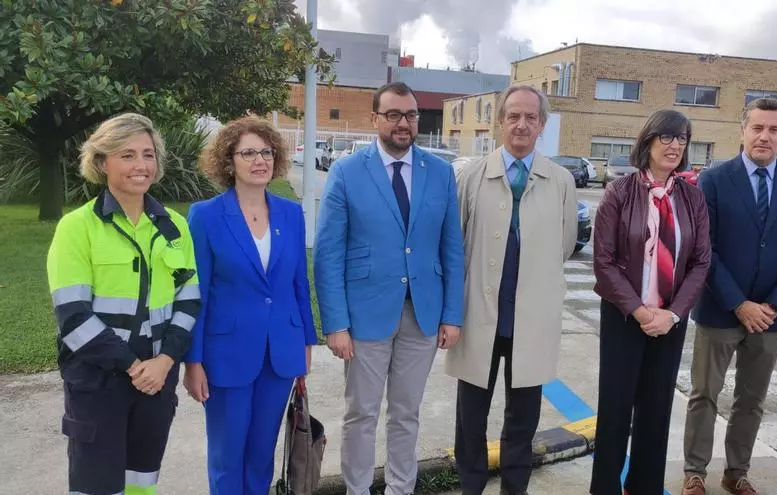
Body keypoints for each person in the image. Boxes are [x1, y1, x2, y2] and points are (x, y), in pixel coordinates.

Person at [313, 81, 465, 495]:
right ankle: (358, 490)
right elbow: (328, 253)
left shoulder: (440, 173)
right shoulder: (347, 171)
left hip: (423, 314)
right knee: (361, 415)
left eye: (411, 115)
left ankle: (401, 489)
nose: (403, 123)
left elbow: (452, 248)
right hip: (365, 315)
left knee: (406, 414)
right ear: (374, 118)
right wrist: (336, 324)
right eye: (393, 114)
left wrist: (452, 315)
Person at [46, 113, 200, 495]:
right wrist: (134, 367)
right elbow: (73, 317)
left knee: (142, 483)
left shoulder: (174, 227)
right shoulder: (77, 227)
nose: (141, 165)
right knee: (96, 486)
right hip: (98, 381)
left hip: (157, 380)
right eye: (127, 155)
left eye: (148, 154)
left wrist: (165, 362)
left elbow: (189, 299)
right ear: (102, 162)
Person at [447, 85, 577, 495]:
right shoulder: (471, 177)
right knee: (471, 417)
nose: (522, 125)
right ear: (500, 121)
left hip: (530, 321)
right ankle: (471, 486)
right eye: (514, 116)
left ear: (542, 124)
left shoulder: (560, 181)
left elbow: (565, 245)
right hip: (479, 316)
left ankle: (514, 488)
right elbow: (456, 245)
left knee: (523, 419)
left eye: (531, 117)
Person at [682, 98, 777, 495]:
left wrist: (774, 305)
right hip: (721, 309)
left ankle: (736, 472)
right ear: (742, 131)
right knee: (704, 395)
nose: (764, 136)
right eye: (757, 128)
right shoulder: (714, 180)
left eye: (774, 129)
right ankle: (695, 472)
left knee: (751, 399)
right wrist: (738, 303)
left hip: (770, 317)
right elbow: (704, 248)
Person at [183, 117, 318, 495]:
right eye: (248, 153)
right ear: (229, 161)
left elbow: (299, 283)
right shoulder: (205, 216)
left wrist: (307, 341)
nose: (260, 160)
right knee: (227, 456)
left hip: (281, 352)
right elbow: (197, 293)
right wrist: (193, 361)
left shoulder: (290, 213)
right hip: (226, 355)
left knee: (262, 454)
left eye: (266, 152)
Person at [590, 110, 711, 495]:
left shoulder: (693, 198)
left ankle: (644, 487)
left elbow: (701, 262)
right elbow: (604, 261)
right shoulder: (619, 192)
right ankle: (605, 488)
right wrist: (640, 311)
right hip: (625, 317)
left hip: (669, 321)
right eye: (667, 137)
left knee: (656, 411)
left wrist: (673, 314)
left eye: (682, 139)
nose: (675, 146)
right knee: (615, 409)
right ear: (648, 140)